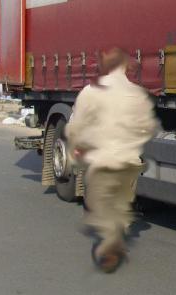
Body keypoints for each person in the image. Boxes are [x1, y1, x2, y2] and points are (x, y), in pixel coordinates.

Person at [66, 47, 159, 273]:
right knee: (121, 203)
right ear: (126, 67)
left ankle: (109, 245)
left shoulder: (91, 91)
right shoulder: (137, 94)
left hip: (103, 162)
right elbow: (149, 127)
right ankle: (118, 231)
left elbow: (75, 127)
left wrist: (76, 150)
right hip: (129, 163)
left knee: (99, 206)